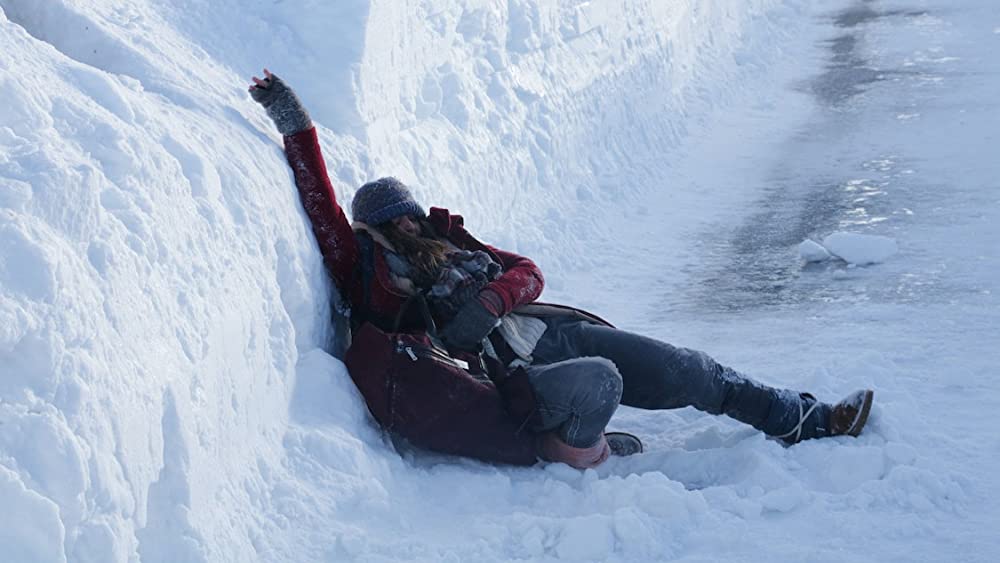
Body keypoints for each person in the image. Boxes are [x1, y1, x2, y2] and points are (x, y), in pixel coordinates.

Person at [248, 69, 874, 469]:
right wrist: (294, 122)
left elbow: (527, 271)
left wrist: (491, 300)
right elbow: (322, 206)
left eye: (410, 217)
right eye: (393, 223)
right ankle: (575, 450)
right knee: (599, 381)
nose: (408, 228)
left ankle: (802, 417)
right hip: (501, 372)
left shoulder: (454, 243)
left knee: (688, 368)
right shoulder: (365, 268)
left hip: (547, 331)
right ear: (374, 230)